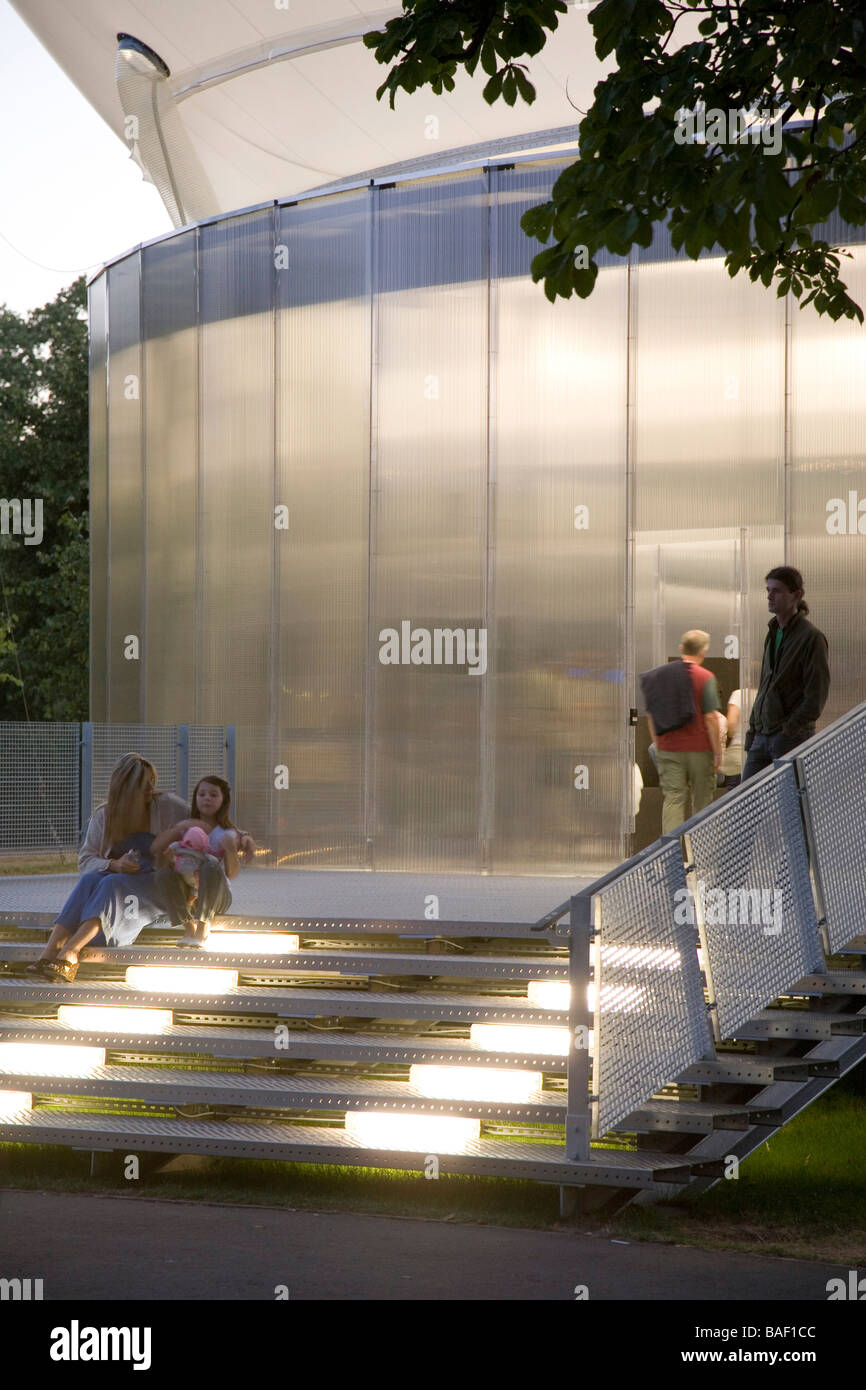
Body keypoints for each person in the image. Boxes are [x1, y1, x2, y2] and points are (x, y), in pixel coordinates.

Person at [26, 753, 188, 982]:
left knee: (111, 883)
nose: (151, 790)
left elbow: (205, 824)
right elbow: (85, 861)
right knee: (90, 880)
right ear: (125, 789)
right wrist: (114, 864)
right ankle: (48, 954)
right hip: (124, 881)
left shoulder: (170, 806)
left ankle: (71, 953)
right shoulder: (104, 816)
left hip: (159, 883)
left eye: (152, 782)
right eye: (143, 786)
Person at [742, 566, 830, 780]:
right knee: (746, 806)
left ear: (797, 595)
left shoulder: (811, 638)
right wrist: (753, 730)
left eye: (777, 590)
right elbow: (766, 684)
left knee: (791, 806)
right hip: (763, 734)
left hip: (789, 737)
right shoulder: (773, 633)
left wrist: (789, 729)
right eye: (768, 590)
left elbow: (816, 696)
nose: (769, 596)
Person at [151, 775, 255, 947]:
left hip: (217, 897)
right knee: (162, 874)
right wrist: (172, 848)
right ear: (195, 798)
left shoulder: (226, 833)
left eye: (214, 795)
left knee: (211, 864)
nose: (207, 798)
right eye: (202, 794)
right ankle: (188, 926)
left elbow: (232, 874)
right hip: (188, 895)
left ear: (223, 800)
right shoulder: (185, 827)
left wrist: (231, 851)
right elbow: (156, 850)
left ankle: (203, 927)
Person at [646, 631, 724, 834]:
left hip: (669, 749)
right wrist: (717, 752)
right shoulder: (705, 677)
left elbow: (651, 715)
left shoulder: (660, 676)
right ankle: (702, 855)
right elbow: (710, 718)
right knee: (702, 801)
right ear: (704, 652)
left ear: (681, 648)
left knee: (673, 798)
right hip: (700, 750)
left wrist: (659, 743)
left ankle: (671, 856)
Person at [719, 687, 755, 788]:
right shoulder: (766, 693)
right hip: (761, 751)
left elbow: (731, 725)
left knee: (735, 794)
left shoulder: (739, 694)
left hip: (738, 753)